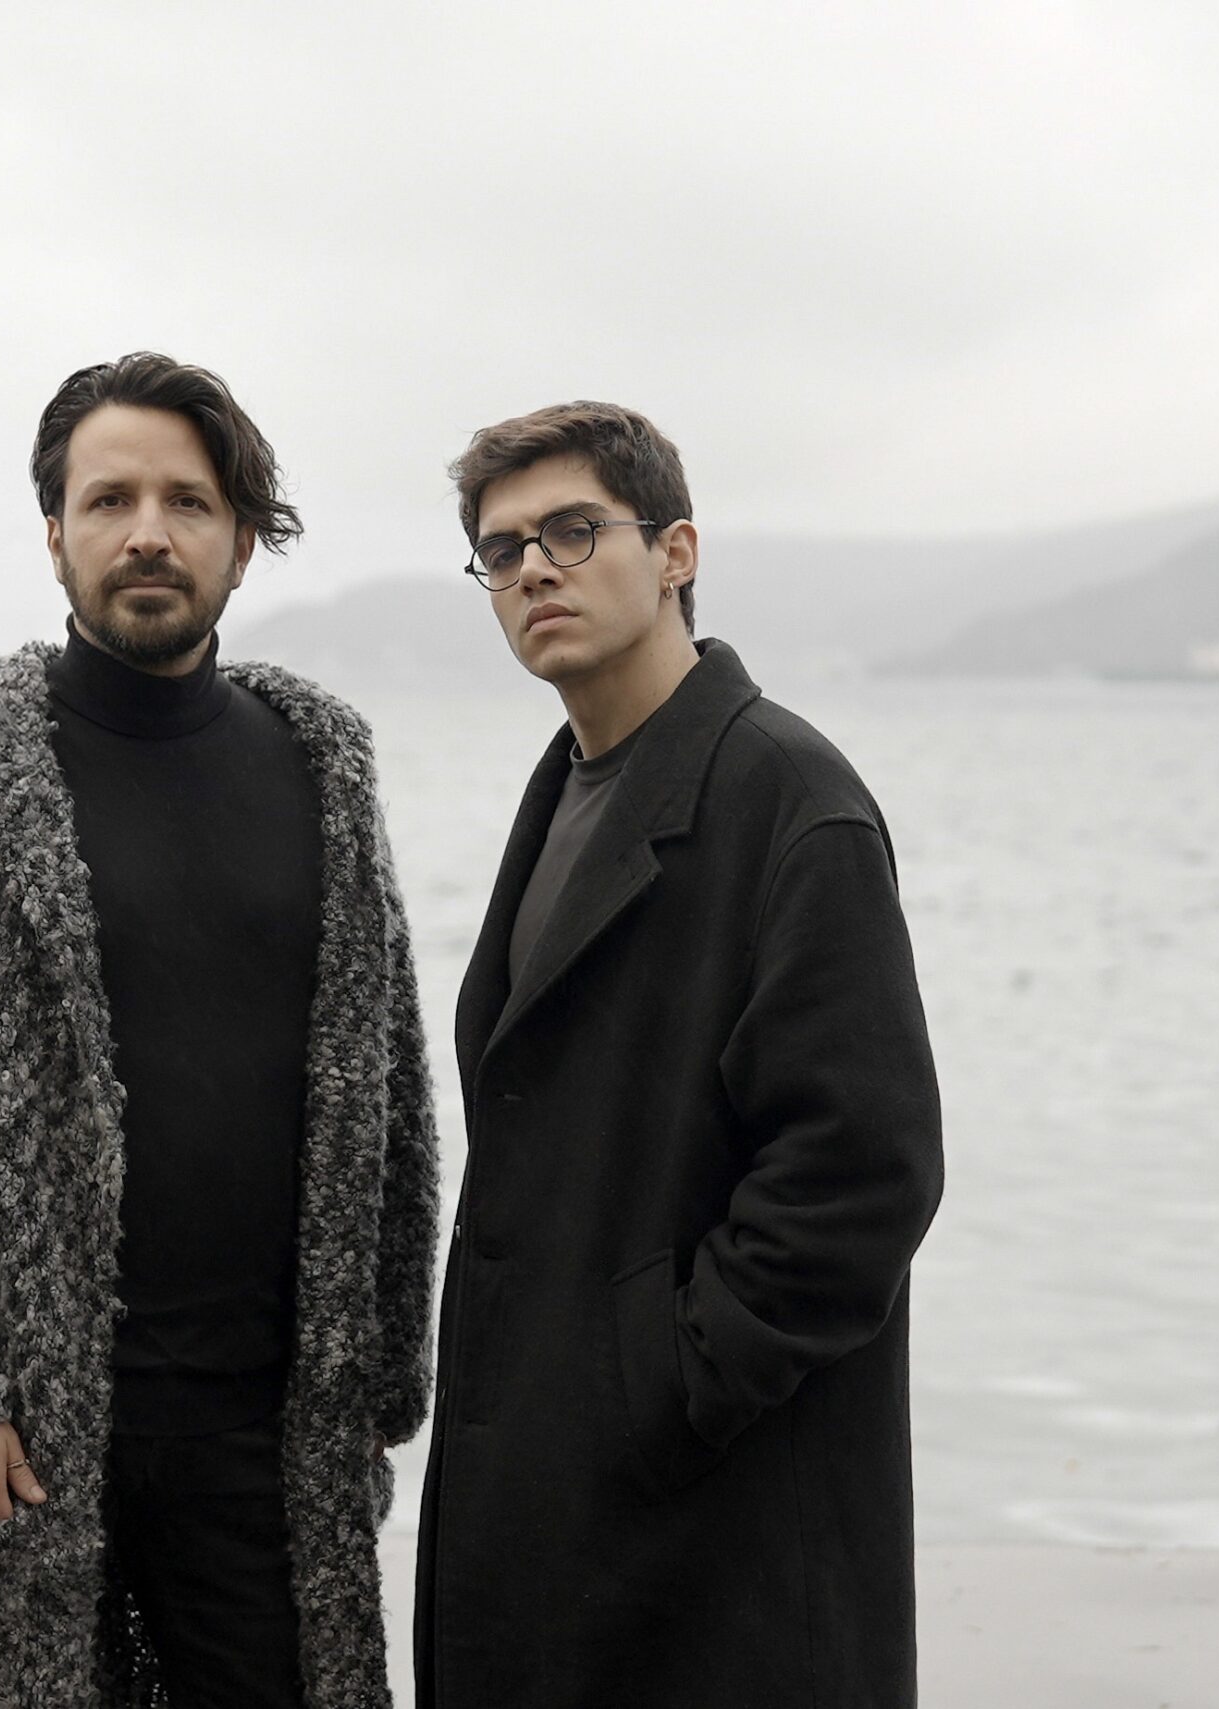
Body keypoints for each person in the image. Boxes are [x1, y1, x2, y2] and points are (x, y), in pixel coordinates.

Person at [0, 352, 439, 1709]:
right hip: (22, 1437)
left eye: (187, 502)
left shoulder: (321, 766)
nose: (148, 532)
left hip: (264, 1437)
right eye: (110, 500)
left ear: (242, 542)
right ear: (56, 536)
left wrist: (382, 1374)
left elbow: (386, 1092)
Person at [413, 401, 945, 1707]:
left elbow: (862, 1171)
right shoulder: (568, 787)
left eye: (573, 531)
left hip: (719, 1525)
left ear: (675, 552)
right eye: (502, 549)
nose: (534, 569)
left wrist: (662, 1380)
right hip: (556, 1497)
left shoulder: (790, 799)